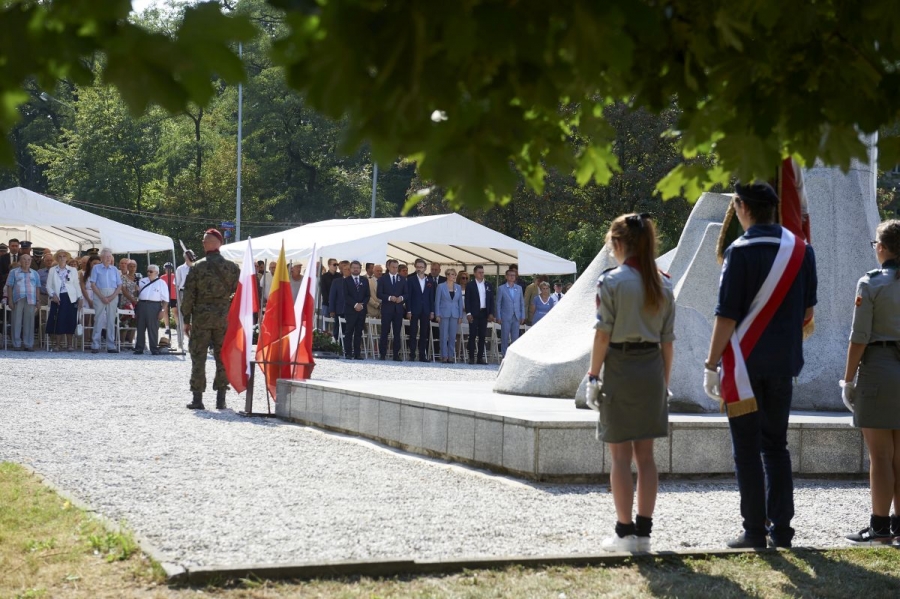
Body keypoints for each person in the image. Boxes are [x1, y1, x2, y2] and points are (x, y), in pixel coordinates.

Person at [703, 183, 817, 549]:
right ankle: (781, 531)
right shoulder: (802, 251)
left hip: (744, 365)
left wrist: (710, 364)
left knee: (747, 450)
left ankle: (754, 531)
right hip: (784, 363)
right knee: (776, 447)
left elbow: (726, 316)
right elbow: (808, 311)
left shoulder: (739, 251)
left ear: (741, 207)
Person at [585, 212, 675, 553]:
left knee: (620, 457)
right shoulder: (663, 283)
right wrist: (664, 382)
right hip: (652, 369)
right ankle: (645, 534)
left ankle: (624, 533)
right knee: (646, 457)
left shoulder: (611, 282)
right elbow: (668, 342)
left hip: (621, 368)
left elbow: (602, 335)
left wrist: (593, 375)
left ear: (619, 243)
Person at [841, 220, 900, 544]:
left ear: (883, 247)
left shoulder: (871, 283)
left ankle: (879, 526)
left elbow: (859, 337)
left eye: (876, 243)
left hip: (879, 368)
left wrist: (847, 379)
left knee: (880, 456)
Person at [181, 229, 240, 410]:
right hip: (223, 318)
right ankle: (221, 398)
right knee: (223, 357)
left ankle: (197, 398)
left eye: (205, 241)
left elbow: (189, 296)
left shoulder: (197, 267)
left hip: (202, 318)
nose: (203, 243)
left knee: (198, 356)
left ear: (213, 243)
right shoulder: (232, 268)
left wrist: (186, 319)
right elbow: (240, 295)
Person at [46, 250, 83, 352]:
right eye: (60, 256)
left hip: (71, 298)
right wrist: (53, 295)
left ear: (67, 258)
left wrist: (80, 297)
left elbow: (76, 285)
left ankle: (70, 345)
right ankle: (57, 344)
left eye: (64, 256)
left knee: (70, 320)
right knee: (58, 320)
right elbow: (48, 286)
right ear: (57, 258)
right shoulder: (52, 270)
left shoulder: (73, 270)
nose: (62, 258)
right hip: (58, 297)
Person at [89, 248, 122, 354]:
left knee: (111, 320)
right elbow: (93, 284)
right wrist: (101, 297)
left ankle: (111, 345)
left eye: (109, 256)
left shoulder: (115, 269)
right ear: (101, 258)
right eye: (106, 256)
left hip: (113, 294)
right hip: (99, 294)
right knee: (98, 319)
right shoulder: (96, 268)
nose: (108, 258)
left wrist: (112, 297)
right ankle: (95, 344)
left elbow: (119, 285)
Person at [5, 254, 41, 351]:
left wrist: (38, 300)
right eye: (24, 259)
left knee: (29, 322)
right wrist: (10, 300)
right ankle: (16, 344)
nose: (26, 261)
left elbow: (37, 287)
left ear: (31, 261)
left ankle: (28, 344)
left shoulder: (35, 273)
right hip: (18, 298)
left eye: (29, 259)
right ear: (20, 261)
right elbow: (9, 286)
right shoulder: (13, 272)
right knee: (16, 321)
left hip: (31, 299)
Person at [134, 264, 170, 355]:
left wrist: (162, 311)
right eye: (148, 271)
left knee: (153, 328)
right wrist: (136, 290)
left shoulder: (161, 283)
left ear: (156, 273)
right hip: (142, 304)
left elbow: (166, 300)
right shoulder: (142, 281)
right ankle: (139, 348)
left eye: (151, 271)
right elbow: (136, 295)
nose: (149, 273)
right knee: (140, 327)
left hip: (154, 305)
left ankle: (154, 348)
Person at [406, 258, 435, 362]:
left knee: (424, 333)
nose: (419, 269)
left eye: (421, 267)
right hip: (414, 309)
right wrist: (408, 310)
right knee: (413, 333)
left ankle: (422, 355)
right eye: (418, 267)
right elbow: (408, 296)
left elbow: (431, 297)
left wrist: (432, 311)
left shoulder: (430, 281)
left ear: (425, 268)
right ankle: (412, 355)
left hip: (426, 310)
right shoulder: (411, 280)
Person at [465, 264, 495, 364]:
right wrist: (468, 313)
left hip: (484, 313)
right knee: (472, 335)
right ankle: (471, 357)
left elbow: (491, 300)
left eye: (482, 272)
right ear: (474, 273)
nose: (481, 274)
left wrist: (491, 313)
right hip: (473, 313)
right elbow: (467, 300)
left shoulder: (488, 285)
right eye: (479, 272)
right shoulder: (470, 285)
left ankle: (480, 358)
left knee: (482, 336)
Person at [377, 259, 406, 361]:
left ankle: (396, 354)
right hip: (387, 309)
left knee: (397, 333)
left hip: (398, 309)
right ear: (388, 267)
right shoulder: (382, 279)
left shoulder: (402, 279)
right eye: (393, 267)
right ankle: (382, 354)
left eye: (396, 267)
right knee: (384, 332)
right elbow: (379, 294)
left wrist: (401, 298)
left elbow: (406, 294)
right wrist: (389, 297)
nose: (395, 269)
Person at [435, 268, 464, 362]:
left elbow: (460, 302)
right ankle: (444, 355)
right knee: (443, 335)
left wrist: (460, 316)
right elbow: (437, 301)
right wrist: (437, 314)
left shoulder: (458, 287)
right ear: (447, 275)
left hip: (455, 313)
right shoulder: (441, 286)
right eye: (452, 274)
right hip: (444, 313)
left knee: (452, 336)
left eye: (455, 274)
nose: (454, 276)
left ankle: (450, 355)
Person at [341, 260, 370, 360]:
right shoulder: (346, 280)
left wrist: (362, 305)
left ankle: (357, 353)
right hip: (350, 310)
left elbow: (367, 295)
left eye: (357, 268)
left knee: (359, 332)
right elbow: (346, 296)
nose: (356, 269)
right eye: (354, 268)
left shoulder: (364, 280)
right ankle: (348, 352)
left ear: (360, 269)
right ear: (350, 269)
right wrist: (355, 304)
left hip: (361, 310)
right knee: (349, 331)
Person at [496, 268, 525, 357]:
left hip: (516, 316)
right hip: (505, 316)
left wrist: (522, 315)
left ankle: (513, 356)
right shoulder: (501, 288)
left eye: (514, 275)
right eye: (510, 275)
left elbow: (521, 302)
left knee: (515, 338)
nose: (512, 277)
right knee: (504, 337)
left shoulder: (519, 288)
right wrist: (498, 316)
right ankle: (504, 356)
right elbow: (498, 303)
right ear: (506, 276)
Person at [328, 260, 350, 341]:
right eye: (345, 269)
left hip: (351, 311)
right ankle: (337, 345)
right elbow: (332, 296)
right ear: (342, 271)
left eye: (349, 269)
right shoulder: (337, 281)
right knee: (337, 330)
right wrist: (332, 310)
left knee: (348, 331)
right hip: (339, 310)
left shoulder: (354, 281)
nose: (347, 271)